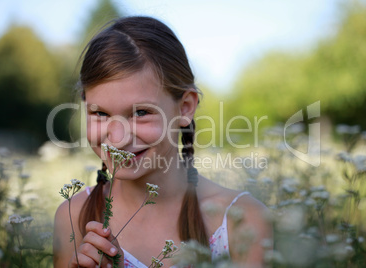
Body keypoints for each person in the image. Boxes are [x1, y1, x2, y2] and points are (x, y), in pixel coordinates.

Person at [53, 16, 271, 268]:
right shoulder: (74, 217)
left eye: (141, 113)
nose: (117, 139)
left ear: (185, 108)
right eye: (100, 114)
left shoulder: (241, 219)